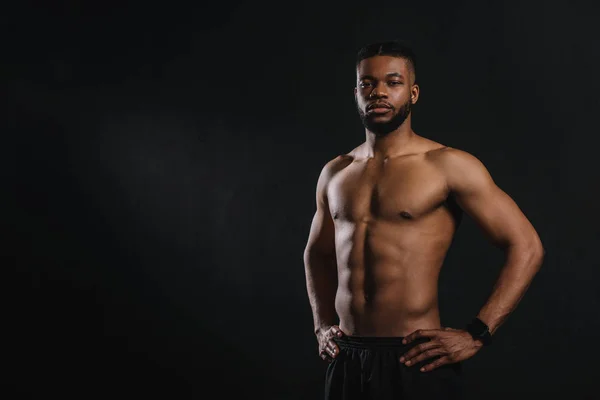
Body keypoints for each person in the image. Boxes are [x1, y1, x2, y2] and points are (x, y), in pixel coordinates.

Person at [303, 41, 545, 400]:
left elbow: (526, 246)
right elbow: (317, 254)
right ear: (356, 93)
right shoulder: (336, 172)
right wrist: (322, 325)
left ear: (413, 93)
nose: (379, 91)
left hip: (415, 359)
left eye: (393, 82)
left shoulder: (447, 165)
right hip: (348, 357)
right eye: (368, 83)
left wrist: (477, 334)